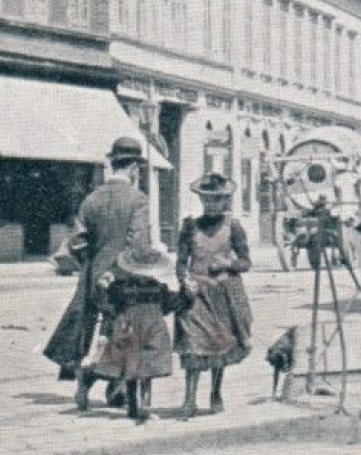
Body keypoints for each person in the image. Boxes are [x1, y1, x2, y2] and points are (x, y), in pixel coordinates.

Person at [44, 136, 151, 409]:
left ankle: (83, 381)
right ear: (134, 168)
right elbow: (137, 244)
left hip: (93, 276)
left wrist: (91, 266)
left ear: (113, 164)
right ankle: (116, 388)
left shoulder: (91, 200)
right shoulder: (138, 200)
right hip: (124, 277)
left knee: (93, 329)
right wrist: (120, 270)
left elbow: (78, 241)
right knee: (124, 330)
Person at [174, 173, 255, 419]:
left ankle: (216, 392)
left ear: (225, 201)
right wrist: (184, 279)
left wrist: (228, 264)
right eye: (207, 200)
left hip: (223, 295)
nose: (211, 205)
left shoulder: (234, 227)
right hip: (196, 294)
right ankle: (189, 398)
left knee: (219, 346)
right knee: (193, 345)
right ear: (201, 200)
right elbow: (180, 262)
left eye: (216, 200)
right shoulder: (190, 226)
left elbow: (246, 263)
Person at [88, 245, 190, 424]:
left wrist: (101, 289)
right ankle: (141, 406)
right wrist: (187, 294)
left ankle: (138, 406)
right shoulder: (157, 287)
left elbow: (104, 304)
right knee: (142, 370)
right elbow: (172, 304)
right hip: (150, 329)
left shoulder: (121, 287)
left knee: (133, 367)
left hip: (131, 327)